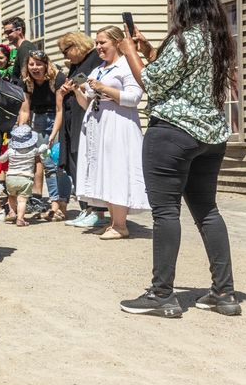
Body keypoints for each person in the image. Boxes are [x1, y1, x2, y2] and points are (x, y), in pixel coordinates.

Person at [118, 0, 240, 318]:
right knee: (207, 211)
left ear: (184, 2)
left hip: (171, 133)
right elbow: (183, 75)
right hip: (208, 135)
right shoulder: (215, 38)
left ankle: (161, 294)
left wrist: (129, 53)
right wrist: (150, 51)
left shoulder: (185, 38)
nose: (170, 5)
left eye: (173, 0)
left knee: (166, 212)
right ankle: (224, 293)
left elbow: (153, 85)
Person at [70, 27, 148, 239]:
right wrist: (78, 90)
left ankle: (121, 225)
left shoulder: (127, 66)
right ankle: (113, 221)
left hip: (118, 124)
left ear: (116, 43)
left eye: (102, 43)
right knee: (103, 170)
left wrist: (104, 88)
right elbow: (87, 103)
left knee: (116, 169)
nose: (98, 47)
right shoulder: (99, 69)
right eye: (96, 43)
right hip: (98, 123)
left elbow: (133, 98)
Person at [54, 31, 104, 227]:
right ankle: (86, 207)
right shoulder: (75, 64)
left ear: (76, 45)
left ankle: (97, 211)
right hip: (71, 118)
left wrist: (76, 87)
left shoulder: (94, 59)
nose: (65, 56)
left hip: (84, 116)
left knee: (86, 161)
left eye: (66, 51)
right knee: (75, 162)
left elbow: (91, 87)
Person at [16, 50, 70, 220]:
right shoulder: (26, 82)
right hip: (38, 121)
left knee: (59, 164)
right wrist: (21, 132)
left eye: (39, 63)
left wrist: (54, 134)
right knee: (48, 164)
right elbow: (25, 110)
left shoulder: (58, 78)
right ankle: (54, 205)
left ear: (46, 64)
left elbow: (60, 110)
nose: (35, 67)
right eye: (31, 64)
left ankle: (62, 204)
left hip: (58, 120)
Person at [0, 125, 48, 226]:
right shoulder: (33, 151)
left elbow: (2, 159)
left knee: (12, 196)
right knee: (22, 200)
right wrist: (46, 145)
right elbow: (42, 149)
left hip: (11, 178)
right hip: (25, 179)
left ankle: (12, 212)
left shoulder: (11, 151)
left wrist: (2, 157)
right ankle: (20, 219)